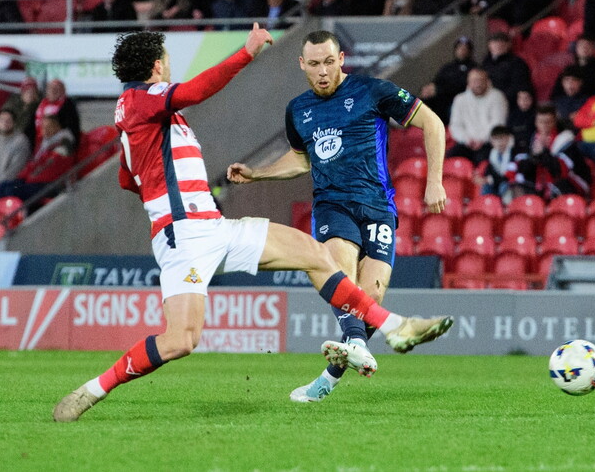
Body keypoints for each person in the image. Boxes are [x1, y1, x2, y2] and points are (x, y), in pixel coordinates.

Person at [52, 26, 453, 422]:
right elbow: (196, 91)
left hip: (211, 226)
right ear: (158, 65)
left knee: (314, 255)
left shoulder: (134, 113)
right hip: (185, 235)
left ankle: (395, 326)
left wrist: (162, 185)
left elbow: (126, 178)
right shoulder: (147, 98)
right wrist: (246, 53)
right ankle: (92, 390)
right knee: (181, 340)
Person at [226, 29, 449, 403]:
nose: (323, 71)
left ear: (341, 59)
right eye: (314, 64)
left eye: (329, 62)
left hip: (378, 205)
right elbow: (301, 158)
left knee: (369, 298)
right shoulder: (297, 110)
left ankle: (329, 377)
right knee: (340, 270)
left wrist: (435, 182)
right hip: (332, 205)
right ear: (302, 65)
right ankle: (363, 344)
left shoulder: (373, 91)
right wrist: (258, 172)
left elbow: (433, 123)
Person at [506, 105, 590, 199]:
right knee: (517, 185)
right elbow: (521, 168)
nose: (544, 125)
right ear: (536, 122)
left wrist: (544, 152)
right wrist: (534, 155)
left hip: (573, 183)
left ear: (554, 122)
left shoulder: (566, 140)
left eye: (548, 122)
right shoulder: (530, 140)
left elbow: (560, 171)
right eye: (541, 122)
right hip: (543, 183)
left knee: (559, 184)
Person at [0, 111, 75, 203]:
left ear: (58, 127)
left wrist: (29, 179)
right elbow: (34, 163)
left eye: (49, 127)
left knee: (11, 190)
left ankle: (21, 213)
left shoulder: (63, 145)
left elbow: (50, 170)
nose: (45, 130)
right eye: (43, 127)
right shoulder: (44, 143)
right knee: (2, 186)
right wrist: (21, 177)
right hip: (36, 179)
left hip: (52, 184)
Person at [447, 67, 509, 165]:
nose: (478, 84)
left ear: (487, 81)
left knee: (483, 163)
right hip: (467, 142)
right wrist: (467, 139)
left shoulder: (497, 97)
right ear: (468, 82)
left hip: (489, 143)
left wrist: (481, 140)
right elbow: (455, 125)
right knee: (448, 159)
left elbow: (498, 123)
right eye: (474, 81)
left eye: (481, 80)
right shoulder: (459, 99)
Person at [419, 35, 477, 125]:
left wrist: (439, 90)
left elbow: (462, 87)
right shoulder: (448, 67)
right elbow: (436, 81)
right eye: (459, 48)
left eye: (465, 48)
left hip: (456, 101)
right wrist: (429, 88)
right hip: (439, 98)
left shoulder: (474, 68)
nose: (462, 51)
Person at [34, 78, 81, 150]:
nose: (53, 91)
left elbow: (70, 126)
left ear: (63, 91)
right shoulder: (42, 103)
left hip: (57, 137)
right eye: (51, 88)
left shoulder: (67, 104)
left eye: (57, 89)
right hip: (39, 135)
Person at [477, 125, 515, 199]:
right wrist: (485, 179)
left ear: (508, 138)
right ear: (491, 141)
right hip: (496, 183)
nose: (499, 142)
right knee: (485, 187)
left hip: (508, 183)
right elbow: (489, 171)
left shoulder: (513, 154)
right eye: (496, 139)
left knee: (504, 187)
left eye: (502, 139)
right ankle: (486, 206)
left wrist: (490, 179)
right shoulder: (491, 155)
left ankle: (506, 209)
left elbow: (509, 176)